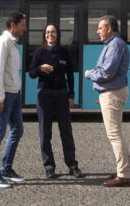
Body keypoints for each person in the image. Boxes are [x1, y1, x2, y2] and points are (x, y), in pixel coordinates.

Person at [84, 15, 130, 187]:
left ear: (109, 28)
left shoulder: (115, 45)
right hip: (114, 91)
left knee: (114, 134)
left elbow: (107, 73)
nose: (97, 31)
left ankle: (123, 175)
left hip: (112, 93)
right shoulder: (113, 44)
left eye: (100, 28)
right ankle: (129, 167)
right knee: (118, 133)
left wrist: (89, 74)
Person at [28, 24, 83, 179]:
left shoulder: (64, 52)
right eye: (47, 32)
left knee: (66, 131)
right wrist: (40, 68)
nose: (50, 34)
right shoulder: (39, 52)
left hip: (61, 94)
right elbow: (31, 73)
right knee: (45, 132)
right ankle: (49, 167)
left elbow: (70, 75)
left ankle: (72, 165)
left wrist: (71, 95)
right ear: (44, 35)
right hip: (44, 94)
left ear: (57, 34)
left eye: (52, 32)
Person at [0, 12, 27, 189]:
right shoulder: (3, 43)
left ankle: (6, 169)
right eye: (22, 25)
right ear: (13, 25)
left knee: (17, 130)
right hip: (6, 96)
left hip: (14, 93)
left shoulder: (13, 43)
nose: (25, 28)